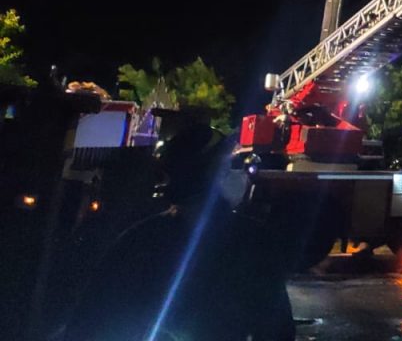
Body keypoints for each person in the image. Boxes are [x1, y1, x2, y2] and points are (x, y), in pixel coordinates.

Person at [61, 123, 296, 341]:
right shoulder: (253, 242)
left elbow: (86, 323)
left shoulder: (139, 240)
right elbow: (277, 329)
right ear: (205, 177)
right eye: (225, 166)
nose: (238, 174)